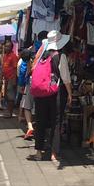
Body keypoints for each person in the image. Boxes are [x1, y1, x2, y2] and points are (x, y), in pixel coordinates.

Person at [32, 31, 72, 162]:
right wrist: (70, 94)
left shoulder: (41, 56)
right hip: (55, 93)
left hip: (40, 93)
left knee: (40, 121)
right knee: (56, 121)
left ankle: (38, 152)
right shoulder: (60, 56)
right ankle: (54, 153)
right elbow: (65, 78)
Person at [17, 48, 34, 139]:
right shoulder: (38, 59)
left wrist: (21, 85)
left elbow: (22, 73)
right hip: (41, 85)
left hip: (29, 84)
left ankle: (30, 125)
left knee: (27, 107)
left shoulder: (24, 62)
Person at [0, 40, 18, 118]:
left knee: (10, 96)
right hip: (6, 79)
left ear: (11, 48)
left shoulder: (13, 56)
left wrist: (14, 80)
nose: (6, 48)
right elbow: (3, 68)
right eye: (5, 46)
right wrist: (1, 79)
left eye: (8, 46)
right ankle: (8, 111)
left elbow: (15, 68)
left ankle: (10, 113)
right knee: (6, 96)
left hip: (11, 79)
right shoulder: (5, 56)